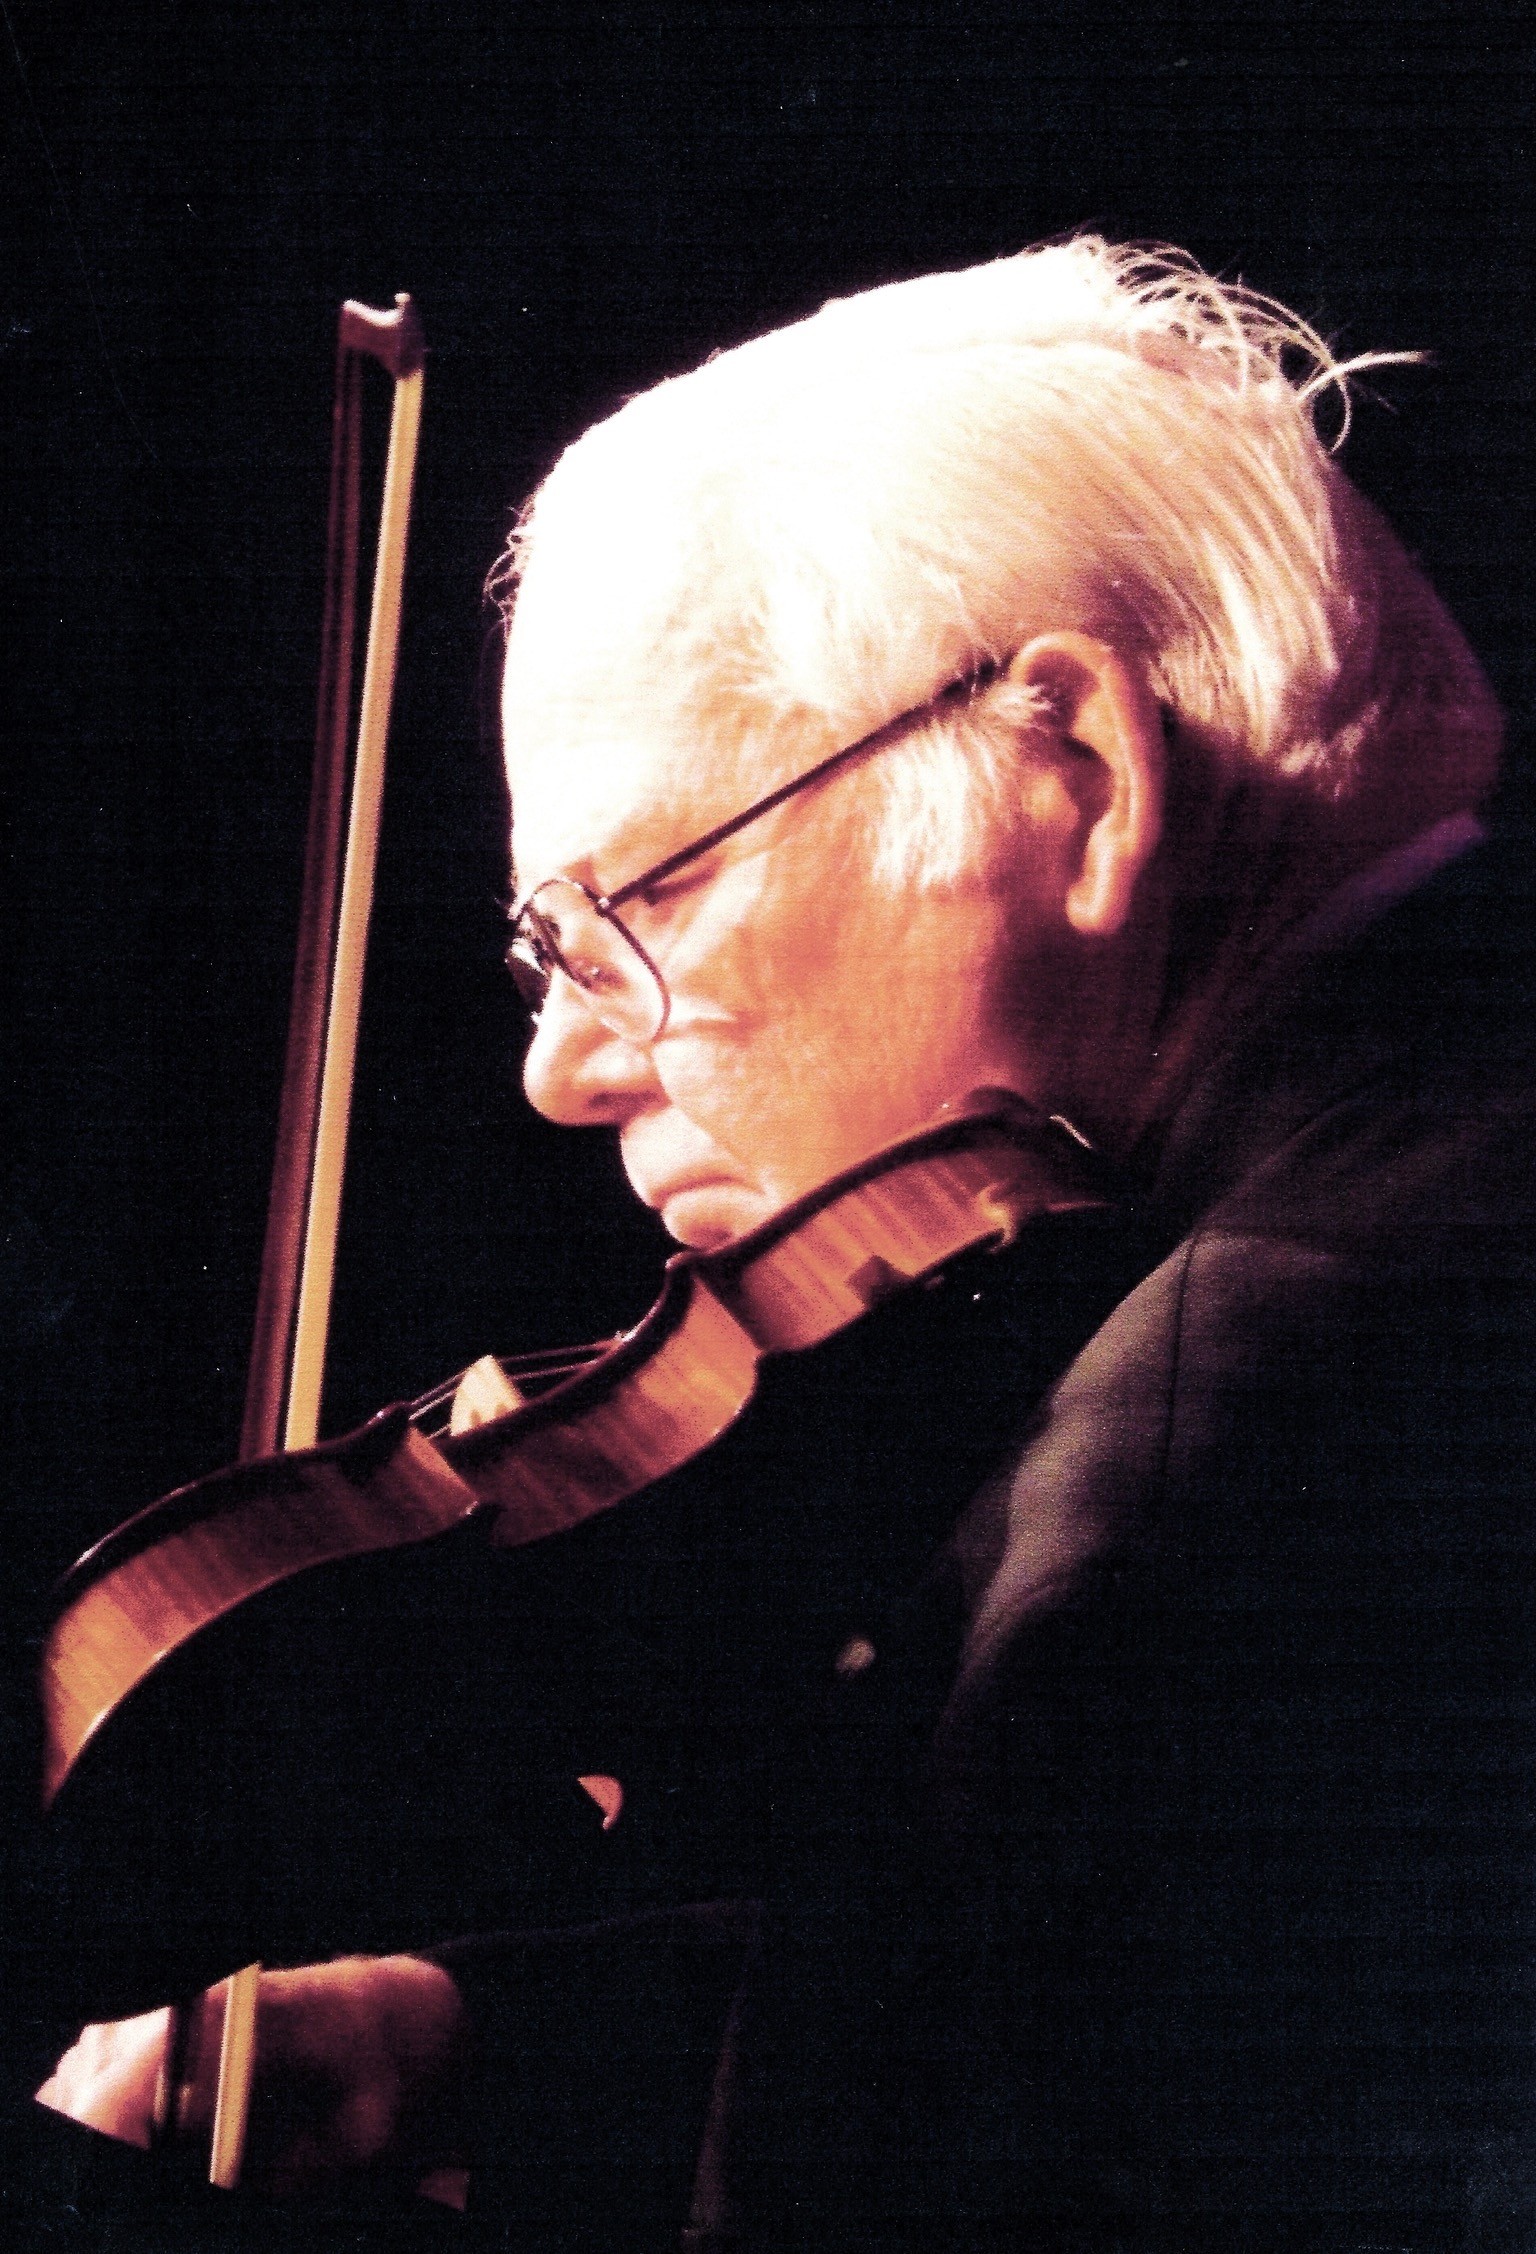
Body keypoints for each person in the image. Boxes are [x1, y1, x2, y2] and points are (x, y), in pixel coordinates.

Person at [36, 238, 1536, 2251]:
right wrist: (485, 2038)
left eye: (627, 909)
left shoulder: (1222, 1455)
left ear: (1077, 775)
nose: (562, 1067)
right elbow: (1192, 2005)